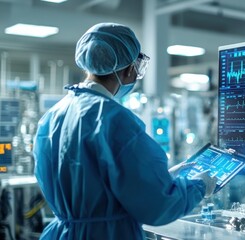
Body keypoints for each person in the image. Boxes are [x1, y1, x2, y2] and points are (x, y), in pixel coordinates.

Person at [33, 22, 217, 240]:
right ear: (129, 69)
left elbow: (96, 183)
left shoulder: (53, 116)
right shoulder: (115, 119)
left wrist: (163, 179)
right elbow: (156, 206)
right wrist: (199, 186)